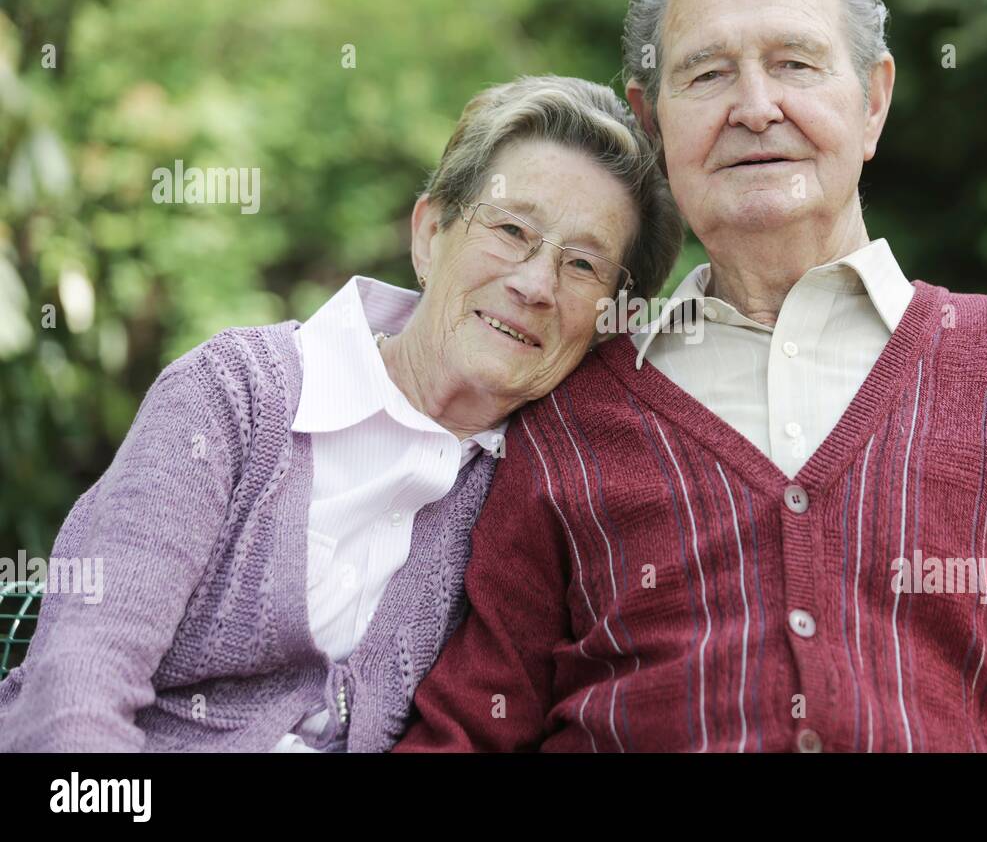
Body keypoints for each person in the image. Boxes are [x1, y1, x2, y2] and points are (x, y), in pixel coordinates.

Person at [395, 0, 987, 752]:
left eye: (796, 64)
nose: (754, 108)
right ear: (653, 122)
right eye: (707, 74)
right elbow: (469, 729)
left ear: (873, 101)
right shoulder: (568, 414)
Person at [0, 75, 682, 751]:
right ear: (430, 234)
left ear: (607, 324)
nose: (535, 284)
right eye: (510, 228)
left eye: (584, 265)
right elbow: (74, 699)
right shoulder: (231, 399)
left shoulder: (538, 499)